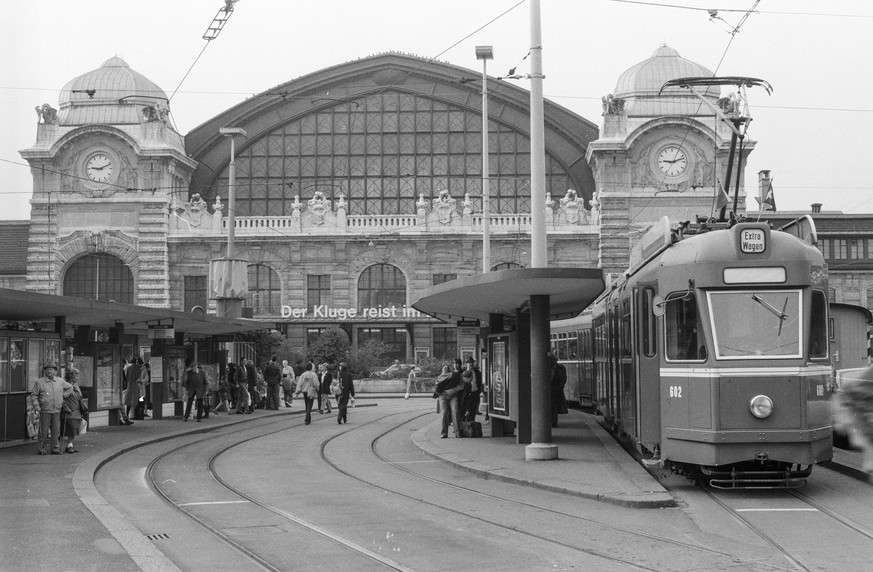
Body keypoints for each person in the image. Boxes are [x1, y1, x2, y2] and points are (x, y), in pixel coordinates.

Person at [31, 363, 72, 455]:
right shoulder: (39, 382)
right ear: (45, 371)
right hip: (44, 410)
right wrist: (36, 405)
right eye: (47, 369)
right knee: (43, 431)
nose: (49, 371)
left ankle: (54, 448)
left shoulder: (60, 381)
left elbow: (70, 387)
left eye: (51, 369)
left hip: (57, 409)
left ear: (55, 371)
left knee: (55, 430)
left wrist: (63, 395)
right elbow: (34, 395)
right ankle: (42, 448)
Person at [435, 362, 463, 438]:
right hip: (443, 396)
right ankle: (444, 433)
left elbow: (461, 385)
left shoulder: (454, 376)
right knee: (444, 413)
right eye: (444, 368)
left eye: (447, 368)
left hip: (452, 395)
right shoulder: (439, 378)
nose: (445, 368)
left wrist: (454, 390)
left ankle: (457, 432)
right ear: (442, 370)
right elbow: (437, 389)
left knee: (455, 411)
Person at [60, 366, 84, 453]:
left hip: (77, 410)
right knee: (70, 427)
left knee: (74, 428)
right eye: (76, 376)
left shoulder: (76, 385)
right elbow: (61, 397)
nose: (78, 377)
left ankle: (70, 445)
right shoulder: (65, 385)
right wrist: (65, 407)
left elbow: (79, 396)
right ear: (71, 376)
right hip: (69, 410)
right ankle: (68, 445)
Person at [549, 352, 568, 428]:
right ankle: (551, 421)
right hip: (548, 390)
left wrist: (561, 386)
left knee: (554, 406)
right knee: (550, 406)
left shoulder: (561, 368)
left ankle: (554, 422)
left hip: (556, 390)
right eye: (552, 360)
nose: (553, 361)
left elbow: (564, 378)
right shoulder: (546, 368)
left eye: (554, 359)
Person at [461, 358, 483, 422]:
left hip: (474, 393)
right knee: (465, 410)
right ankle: (464, 425)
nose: (471, 364)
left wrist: (478, 391)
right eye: (469, 362)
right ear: (466, 363)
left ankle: (471, 424)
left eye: (472, 362)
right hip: (465, 394)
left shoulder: (477, 372)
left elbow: (479, 382)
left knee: (473, 410)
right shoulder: (463, 372)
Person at [122, 358, 141, 425]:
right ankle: (131, 415)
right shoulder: (137, 368)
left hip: (128, 385)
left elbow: (125, 375)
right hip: (134, 385)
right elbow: (139, 376)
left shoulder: (127, 368)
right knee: (133, 401)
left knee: (127, 400)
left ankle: (126, 415)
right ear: (135, 362)